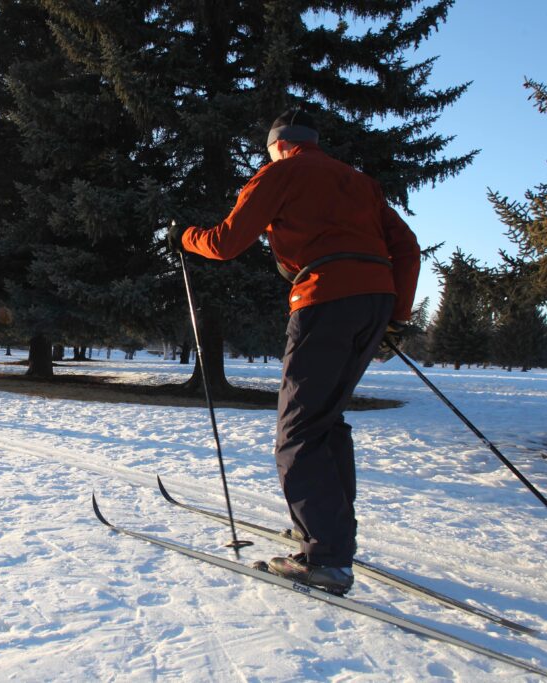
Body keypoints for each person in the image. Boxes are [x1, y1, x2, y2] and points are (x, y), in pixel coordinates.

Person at [168, 109, 421, 595]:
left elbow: (224, 243)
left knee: (298, 431)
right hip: (375, 301)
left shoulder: (280, 173)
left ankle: (326, 557)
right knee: (326, 420)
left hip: (325, 298)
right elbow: (406, 246)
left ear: (279, 145)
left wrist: (182, 238)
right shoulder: (360, 182)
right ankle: (327, 533)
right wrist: (396, 317)